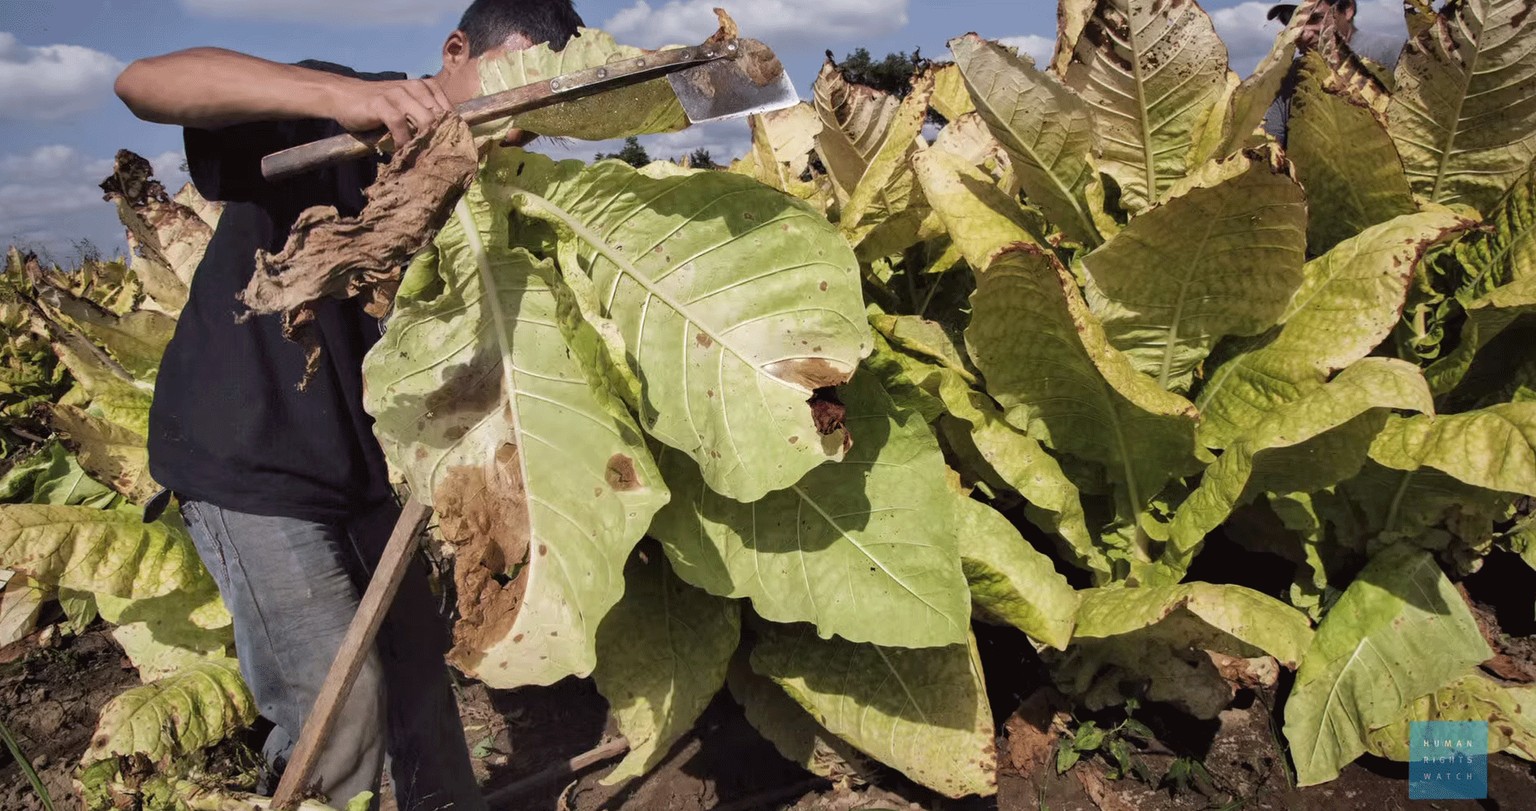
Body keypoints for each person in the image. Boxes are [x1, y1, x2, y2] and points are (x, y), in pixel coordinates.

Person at [113, 1, 585, 808]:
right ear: (454, 51)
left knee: (420, 696)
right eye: (508, 82)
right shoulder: (346, 105)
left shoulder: (497, 191)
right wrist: (339, 99)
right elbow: (143, 81)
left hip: (372, 479)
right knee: (338, 709)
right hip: (255, 462)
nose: (516, 121)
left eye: (544, 107)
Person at [1262, 0, 1404, 144]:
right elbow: (1271, 142)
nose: (1303, 35)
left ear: (1347, 9)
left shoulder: (1393, 54)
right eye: (1292, 24)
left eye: (1315, 18)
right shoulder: (1289, 76)